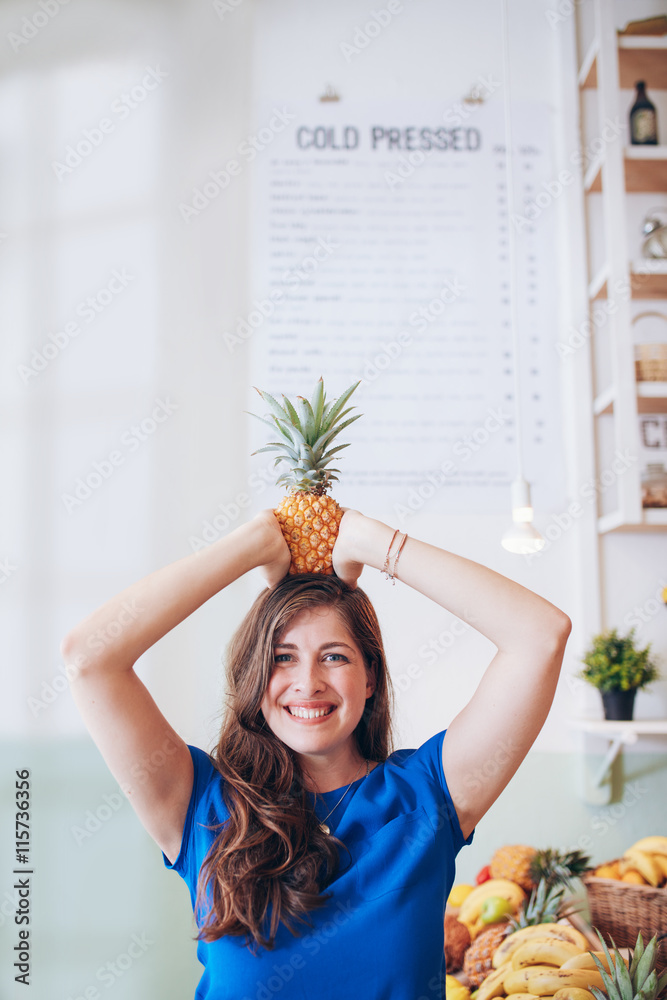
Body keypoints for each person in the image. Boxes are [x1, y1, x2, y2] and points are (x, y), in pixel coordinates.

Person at [61, 507, 571, 1000]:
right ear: (256, 677)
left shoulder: (432, 792)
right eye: (283, 658)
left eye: (334, 656)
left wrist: (369, 541)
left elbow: (540, 635)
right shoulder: (199, 804)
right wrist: (253, 544)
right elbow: (90, 657)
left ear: (369, 677)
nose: (308, 683)